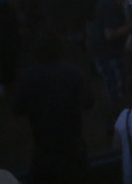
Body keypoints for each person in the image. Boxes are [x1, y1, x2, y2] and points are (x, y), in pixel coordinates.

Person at [13, 31, 94, 183]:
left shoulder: (27, 76)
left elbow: (17, 108)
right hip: (72, 142)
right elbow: (88, 102)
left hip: (42, 144)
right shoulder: (73, 73)